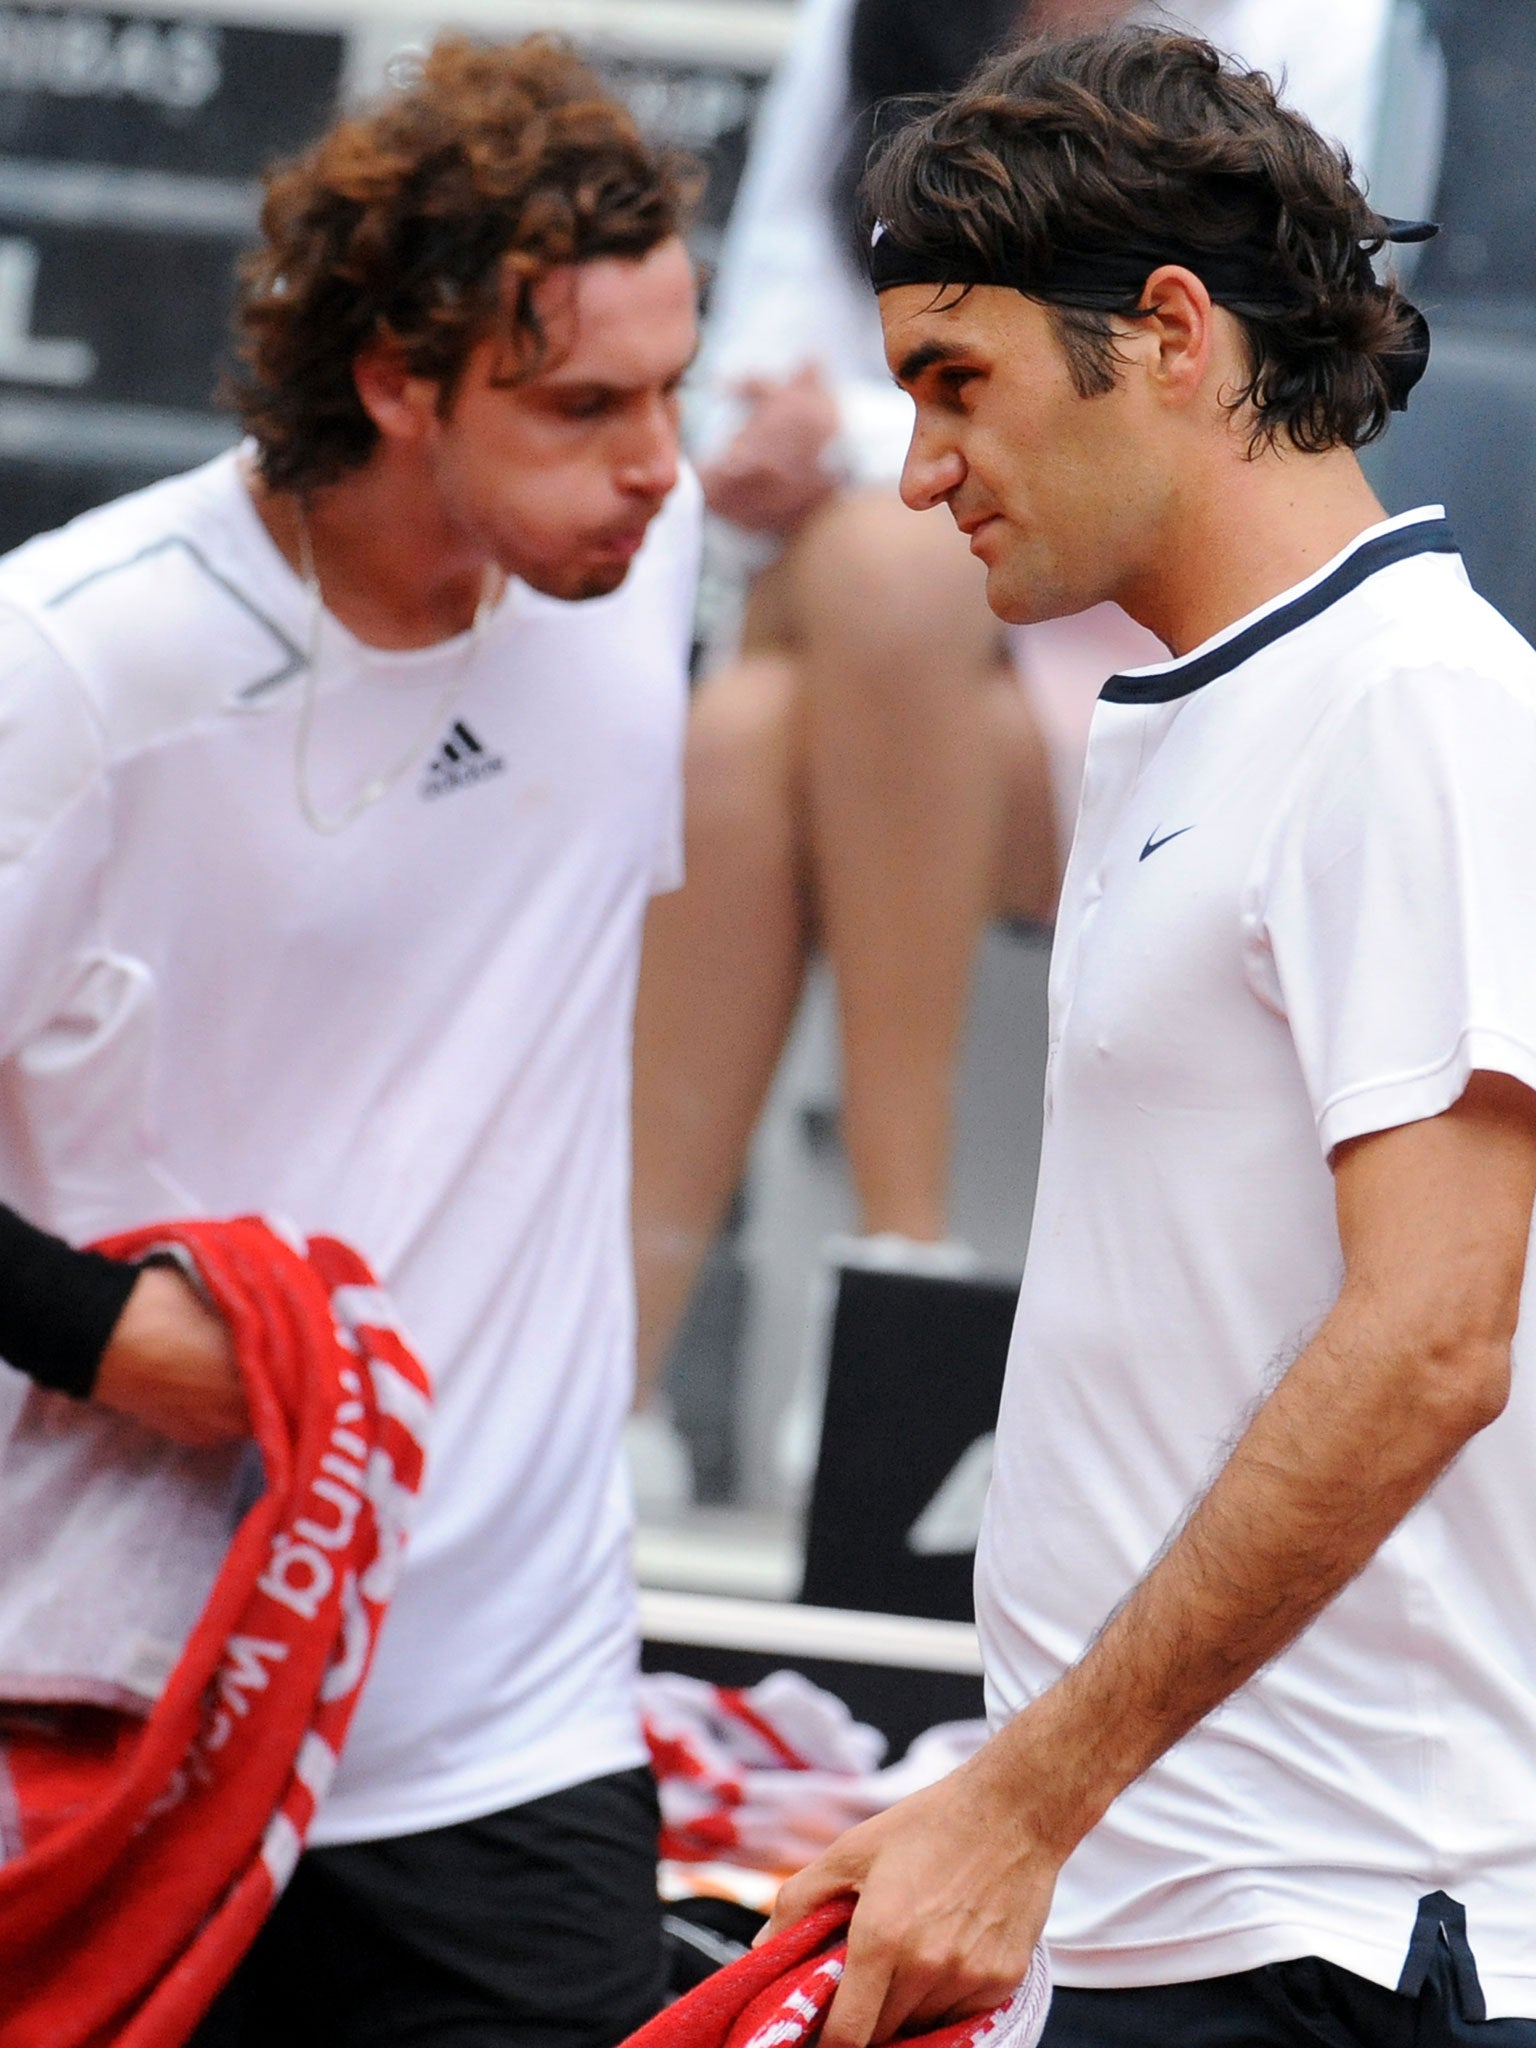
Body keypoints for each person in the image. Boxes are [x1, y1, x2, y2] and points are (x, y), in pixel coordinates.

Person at [762, 26, 1536, 2048]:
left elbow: (1439, 1338)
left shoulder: (1419, 707)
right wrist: (996, 1801)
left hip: (1340, 1935)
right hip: (1159, 1906)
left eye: (959, 383)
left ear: (1172, 334)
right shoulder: (1211, 711)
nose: (920, 461)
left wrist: (1019, 1800)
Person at [0, 36, 700, 2045]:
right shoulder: (87, 653)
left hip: (513, 1726)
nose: (656, 459)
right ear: (398, 378)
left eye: (670, 382)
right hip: (117, 1702)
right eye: (584, 404)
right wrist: (90, 1324)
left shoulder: (637, 583)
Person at [630, 0, 1422, 1401]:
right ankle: (727, 1352)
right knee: (759, 722)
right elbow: (749, 375)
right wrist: (791, 440)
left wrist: (857, 439)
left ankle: (862, 1279)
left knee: (833, 633)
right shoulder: (868, 23)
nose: (937, 453)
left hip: (1139, 634)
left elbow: (1289, 363)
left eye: (958, 392)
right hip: (907, 658)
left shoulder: (1321, 25)